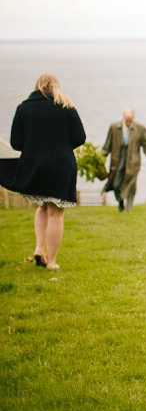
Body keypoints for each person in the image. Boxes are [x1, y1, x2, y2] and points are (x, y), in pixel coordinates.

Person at [0, 74, 86, 269]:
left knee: (42, 207)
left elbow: (16, 143)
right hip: (61, 164)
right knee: (56, 213)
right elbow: (80, 137)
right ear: (55, 86)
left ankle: (39, 248)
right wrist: (62, 145)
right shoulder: (66, 106)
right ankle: (52, 262)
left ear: (37, 86)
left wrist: (35, 146)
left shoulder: (24, 108)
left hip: (35, 164)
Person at [101, 108, 146, 213]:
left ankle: (129, 208)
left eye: (130, 120)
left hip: (133, 162)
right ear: (123, 118)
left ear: (133, 118)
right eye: (126, 120)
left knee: (131, 185)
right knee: (116, 184)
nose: (128, 122)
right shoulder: (114, 128)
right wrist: (99, 159)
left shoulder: (140, 129)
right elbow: (107, 146)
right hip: (117, 160)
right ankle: (120, 201)